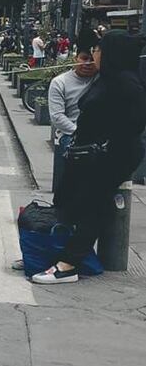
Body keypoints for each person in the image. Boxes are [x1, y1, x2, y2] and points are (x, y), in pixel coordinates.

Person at [32, 31, 146, 284]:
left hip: (110, 156)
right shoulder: (107, 77)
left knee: (92, 205)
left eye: (98, 49)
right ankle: (51, 251)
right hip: (88, 153)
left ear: (111, 53)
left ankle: (68, 264)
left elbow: (134, 124)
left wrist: (105, 140)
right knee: (68, 199)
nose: (94, 53)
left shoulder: (127, 84)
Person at [48, 42, 98, 194]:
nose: (88, 63)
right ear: (76, 58)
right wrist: (78, 132)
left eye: (92, 59)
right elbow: (57, 117)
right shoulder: (59, 82)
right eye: (84, 58)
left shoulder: (102, 79)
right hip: (70, 134)